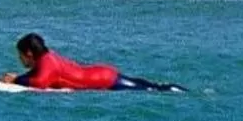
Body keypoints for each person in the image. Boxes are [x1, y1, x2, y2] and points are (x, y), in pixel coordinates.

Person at [11, 32, 174, 91]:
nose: (19, 59)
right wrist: (20, 77)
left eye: (20, 55)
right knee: (155, 87)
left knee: (153, 90)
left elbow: (40, 82)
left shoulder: (48, 63)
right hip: (104, 74)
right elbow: (37, 74)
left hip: (106, 81)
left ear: (29, 53)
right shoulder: (49, 57)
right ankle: (176, 89)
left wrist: (16, 80)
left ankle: (181, 92)